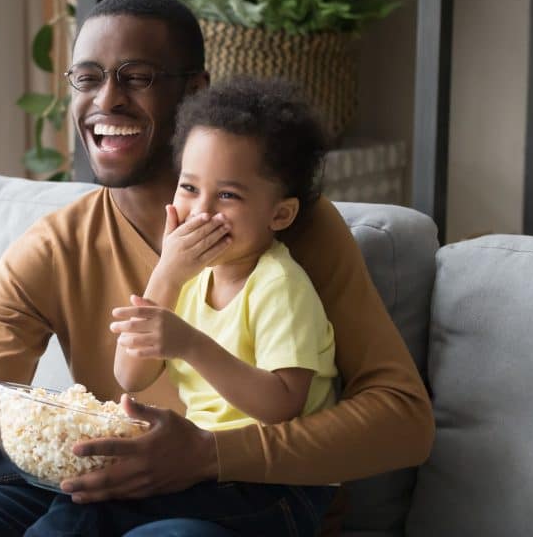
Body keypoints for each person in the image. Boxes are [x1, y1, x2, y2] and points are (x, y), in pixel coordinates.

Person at [0, 0, 434, 537]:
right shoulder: (52, 249)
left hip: (236, 504)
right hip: (97, 493)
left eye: (136, 76)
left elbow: (402, 420)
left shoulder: (295, 232)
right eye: (86, 78)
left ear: (194, 94)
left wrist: (211, 455)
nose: (107, 100)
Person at [26, 76, 341, 536]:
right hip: (207, 470)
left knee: (103, 513)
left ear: (280, 215)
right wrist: (168, 274)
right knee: (81, 505)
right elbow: (130, 377)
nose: (201, 211)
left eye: (228, 195)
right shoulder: (188, 278)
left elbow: (281, 405)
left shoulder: (280, 285)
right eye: (189, 188)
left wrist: (191, 345)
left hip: (278, 487)